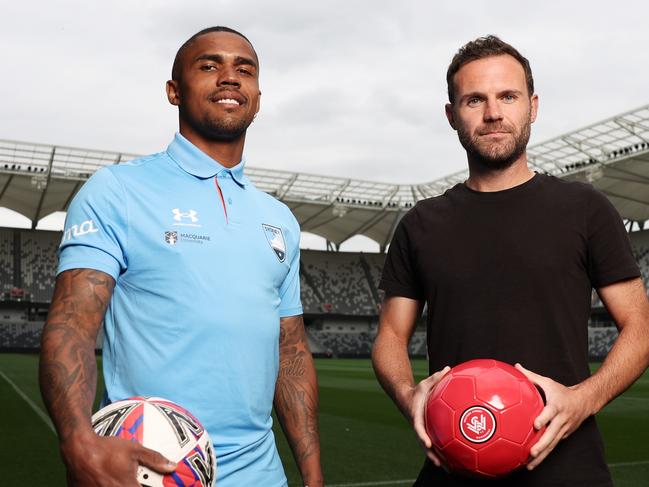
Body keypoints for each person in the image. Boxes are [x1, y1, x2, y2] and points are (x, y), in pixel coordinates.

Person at [39, 26, 323, 487]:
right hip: (154, 473)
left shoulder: (280, 219)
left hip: (263, 476)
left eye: (243, 69)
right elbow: (71, 324)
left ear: (257, 95)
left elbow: (290, 349)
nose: (229, 77)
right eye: (209, 66)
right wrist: (77, 440)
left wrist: (312, 475)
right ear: (174, 91)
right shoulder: (118, 191)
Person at [372, 35, 649, 486]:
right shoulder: (420, 224)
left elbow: (641, 327)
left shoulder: (585, 209)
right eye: (474, 100)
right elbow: (389, 336)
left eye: (508, 96)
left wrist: (584, 399)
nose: (494, 113)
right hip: (453, 465)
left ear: (532, 106)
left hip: (567, 469)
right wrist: (408, 395)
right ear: (451, 115)